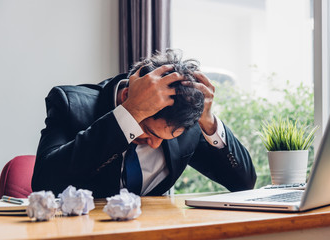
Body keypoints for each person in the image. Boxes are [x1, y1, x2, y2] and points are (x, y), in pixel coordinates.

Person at [32, 49, 256, 198]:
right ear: (128, 94)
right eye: (148, 131)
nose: (156, 144)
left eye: (165, 137)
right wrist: (130, 113)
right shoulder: (70, 103)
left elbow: (243, 183)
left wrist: (208, 121)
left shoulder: (183, 122)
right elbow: (45, 184)